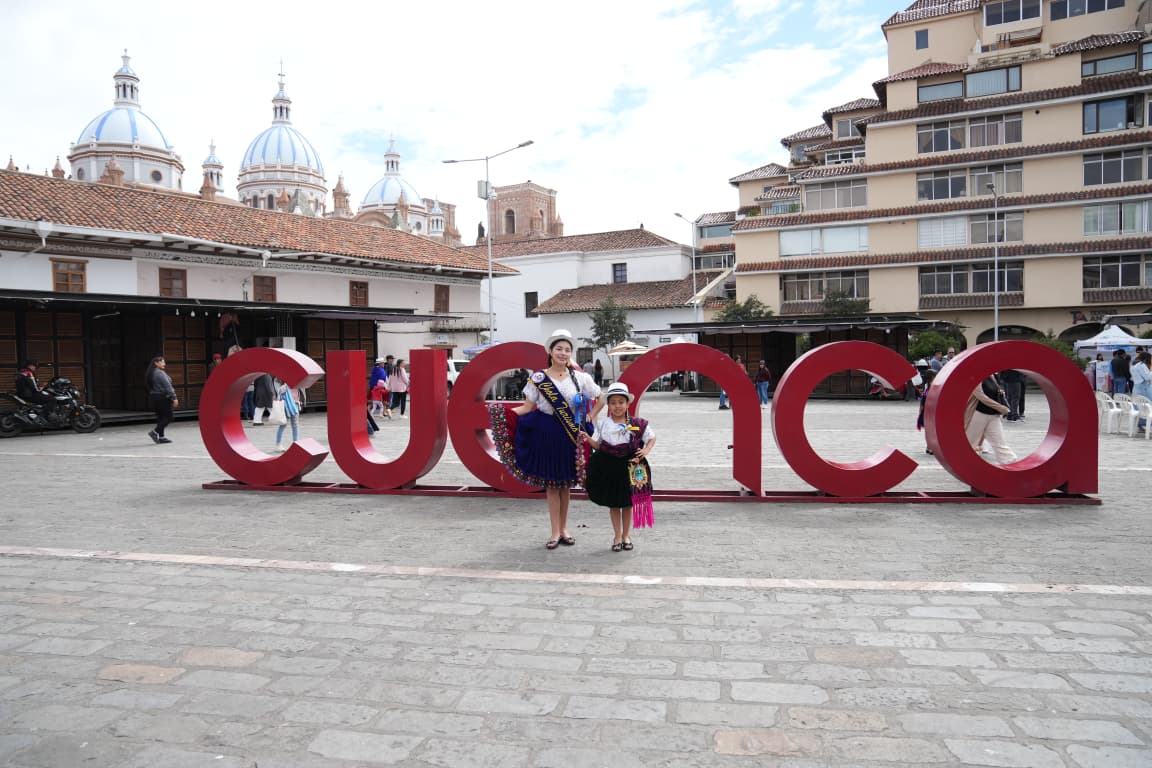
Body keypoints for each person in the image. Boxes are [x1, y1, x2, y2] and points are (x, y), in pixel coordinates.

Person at [489, 329, 602, 549]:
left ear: (571, 353)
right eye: (559, 349)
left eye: (567, 350)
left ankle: (564, 529)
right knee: (552, 484)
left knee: (566, 484)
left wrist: (590, 415)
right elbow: (527, 407)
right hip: (546, 433)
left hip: (570, 435)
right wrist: (503, 414)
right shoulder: (538, 378)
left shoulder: (581, 378)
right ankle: (554, 532)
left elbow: (601, 398)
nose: (563, 353)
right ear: (550, 351)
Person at [582, 383, 655, 552]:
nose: (617, 406)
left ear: (627, 404)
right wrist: (587, 438)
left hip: (630, 467)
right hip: (608, 467)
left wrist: (646, 450)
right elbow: (599, 446)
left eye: (621, 402)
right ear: (609, 405)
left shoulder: (637, 423)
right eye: (613, 402)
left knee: (627, 503)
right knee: (614, 503)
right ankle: (617, 535)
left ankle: (626, 535)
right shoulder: (603, 424)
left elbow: (651, 437)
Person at [966, 374, 1016, 464]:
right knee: (971, 442)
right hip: (978, 413)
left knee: (999, 441)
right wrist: (1001, 408)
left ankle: (1009, 462)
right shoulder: (975, 377)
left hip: (993, 415)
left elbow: (996, 392)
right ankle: (967, 464)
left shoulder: (993, 376)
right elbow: (981, 396)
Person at [145, 355, 177, 444]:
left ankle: (161, 437)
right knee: (169, 417)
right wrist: (174, 398)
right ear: (156, 363)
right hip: (162, 398)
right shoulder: (159, 373)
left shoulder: (151, 372)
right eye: (162, 362)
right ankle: (155, 432)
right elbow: (168, 386)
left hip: (154, 397)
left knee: (161, 417)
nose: (164, 364)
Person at [274, 379, 302, 452]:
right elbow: (279, 395)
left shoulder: (298, 382)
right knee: (283, 424)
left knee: (295, 425)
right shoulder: (282, 385)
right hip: (286, 406)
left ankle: (296, 443)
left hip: (295, 404)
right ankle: (278, 444)